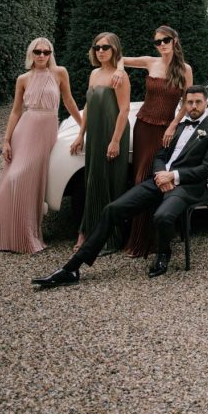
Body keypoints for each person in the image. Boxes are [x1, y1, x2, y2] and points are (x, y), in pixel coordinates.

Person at [32, 87, 208, 285]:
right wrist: (160, 174)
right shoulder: (178, 126)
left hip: (187, 186)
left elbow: (206, 169)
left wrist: (173, 176)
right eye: (189, 102)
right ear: (185, 104)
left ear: (205, 104)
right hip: (159, 180)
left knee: (162, 216)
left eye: (198, 102)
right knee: (112, 209)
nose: (193, 106)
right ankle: (71, 269)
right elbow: (160, 155)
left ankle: (163, 253)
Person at [0, 38, 82, 254]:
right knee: (14, 177)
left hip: (45, 131)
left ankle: (25, 235)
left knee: (30, 180)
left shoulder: (60, 72)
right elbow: (16, 111)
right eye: (37, 52)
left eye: (46, 51)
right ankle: (1, 235)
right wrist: (6, 140)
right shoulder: (23, 79)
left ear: (51, 53)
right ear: (31, 54)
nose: (42, 55)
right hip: (25, 131)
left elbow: (69, 101)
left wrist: (83, 128)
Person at [112, 25, 192, 256]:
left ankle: (153, 239)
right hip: (143, 127)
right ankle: (137, 240)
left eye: (166, 40)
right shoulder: (150, 62)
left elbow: (188, 102)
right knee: (139, 180)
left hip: (164, 131)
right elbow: (120, 58)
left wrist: (174, 125)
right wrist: (118, 70)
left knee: (153, 180)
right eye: (157, 42)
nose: (162, 45)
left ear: (175, 41)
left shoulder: (184, 69)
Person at [69, 33, 131, 252]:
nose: (101, 51)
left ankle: (107, 236)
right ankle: (86, 231)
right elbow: (87, 106)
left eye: (106, 47)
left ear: (114, 50)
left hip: (113, 134)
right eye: (97, 47)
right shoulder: (94, 74)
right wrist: (80, 134)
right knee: (92, 180)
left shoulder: (119, 76)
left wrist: (115, 141)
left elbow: (124, 110)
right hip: (95, 134)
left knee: (109, 183)